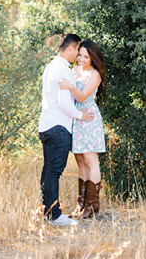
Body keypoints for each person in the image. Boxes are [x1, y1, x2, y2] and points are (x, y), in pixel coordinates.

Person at [38, 33, 94, 226]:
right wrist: (80, 116)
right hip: (59, 127)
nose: (77, 55)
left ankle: (47, 213)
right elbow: (64, 103)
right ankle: (54, 216)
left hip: (46, 125)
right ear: (71, 48)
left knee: (48, 171)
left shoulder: (50, 67)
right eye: (77, 51)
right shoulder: (64, 70)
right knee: (53, 172)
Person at [58, 39, 106, 218]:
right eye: (80, 55)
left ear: (93, 58)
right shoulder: (75, 70)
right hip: (76, 118)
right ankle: (81, 205)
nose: (82, 59)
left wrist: (70, 86)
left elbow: (82, 97)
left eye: (86, 56)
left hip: (88, 118)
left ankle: (93, 206)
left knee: (90, 160)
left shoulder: (95, 74)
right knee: (79, 161)